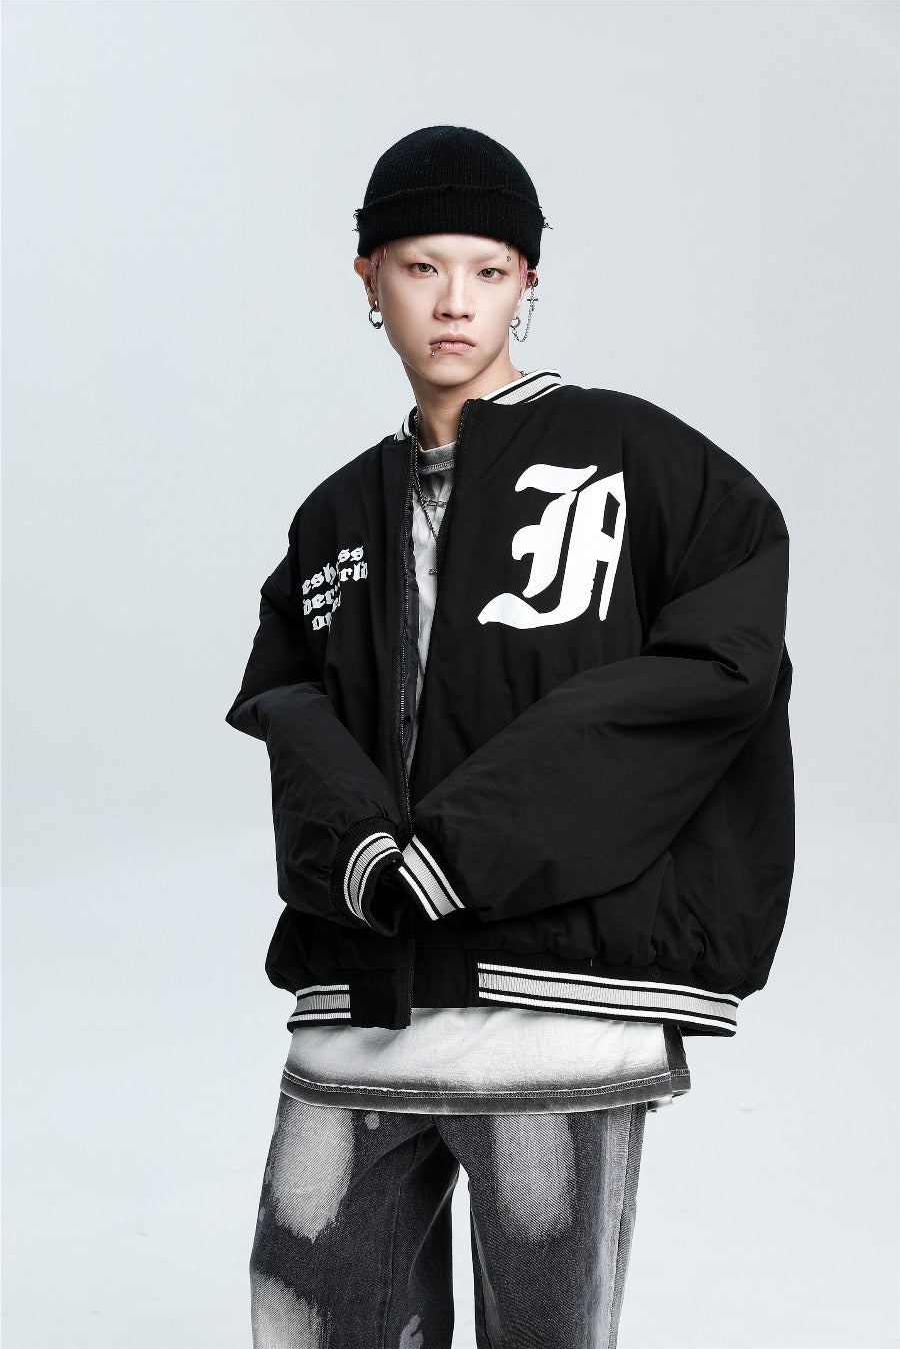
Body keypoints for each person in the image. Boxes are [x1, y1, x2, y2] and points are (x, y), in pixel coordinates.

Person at [225, 125, 795, 1349]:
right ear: (369, 277)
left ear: (527, 283)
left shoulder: (637, 462)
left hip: (557, 1011)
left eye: (488, 271)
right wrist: (364, 856)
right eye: (422, 267)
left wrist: (470, 845)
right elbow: (286, 705)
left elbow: (720, 668)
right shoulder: (335, 515)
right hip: (363, 1004)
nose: (455, 303)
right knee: (303, 1315)